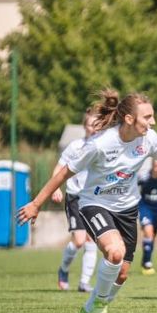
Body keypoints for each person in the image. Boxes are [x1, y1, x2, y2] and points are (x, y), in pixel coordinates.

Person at [17, 90, 157, 313]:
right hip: (94, 204)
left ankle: (90, 310)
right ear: (130, 119)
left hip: (127, 209)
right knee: (115, 252)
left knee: (122, 273)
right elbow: (63, 174)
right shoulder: (101, 144)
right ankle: (98, 310)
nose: (153, 122)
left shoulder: (149, 139)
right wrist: (36, 203)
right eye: (148, 117)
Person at [50, 111, 102, 292]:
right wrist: (55, 188)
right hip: (75, 197)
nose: (94, 129)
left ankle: (84, 282)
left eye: (97, 125)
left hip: (94, 198)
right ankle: (63, 269)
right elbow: (59, 168)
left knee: (91, 240)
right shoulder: (75, 146)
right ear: (84, 127)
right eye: (91, 125)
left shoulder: (103, 147)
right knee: (79, 241)